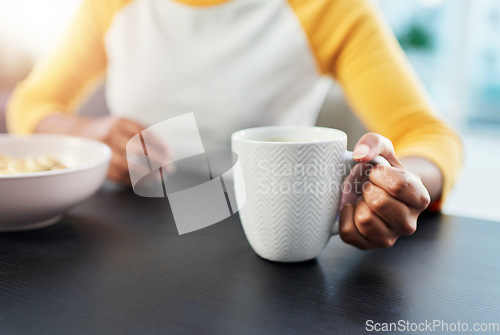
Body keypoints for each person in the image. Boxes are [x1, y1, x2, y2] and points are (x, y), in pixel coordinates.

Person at [6, 0, 462, 250]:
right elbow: (33, 101)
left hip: (264, 241)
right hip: (129, 239)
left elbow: (429, 135)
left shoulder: (330, 9)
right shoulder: (111, 6)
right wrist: (90, 133)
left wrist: (390, 184)